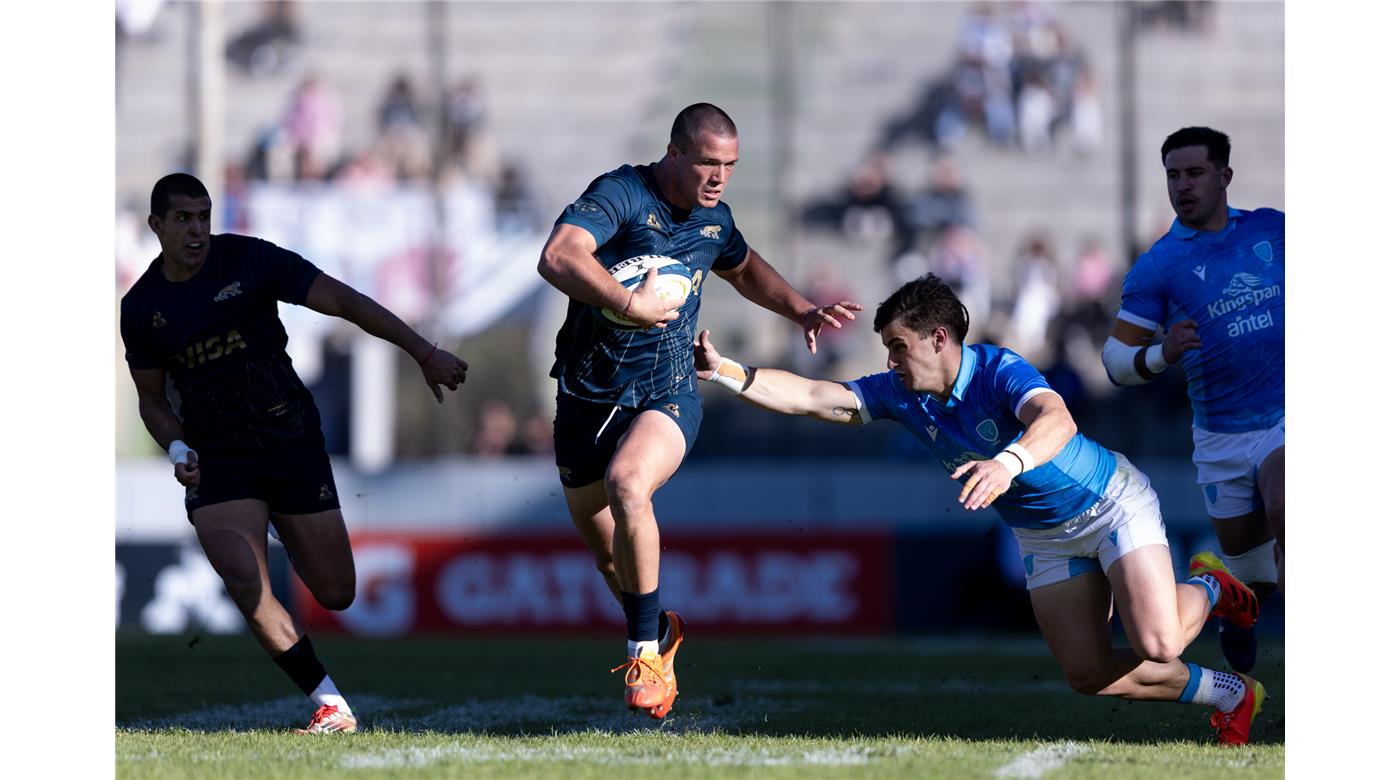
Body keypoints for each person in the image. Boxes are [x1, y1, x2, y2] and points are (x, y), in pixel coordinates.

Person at [693, 274, 1266, 745]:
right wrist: (725, 371)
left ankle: (1214, 587)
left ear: (938, 338)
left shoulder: (997, 368)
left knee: (1159, 644)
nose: (891, 361)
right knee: (1088, 674)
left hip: (1110, 504)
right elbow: (816, 397)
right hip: (1044, 535)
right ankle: (1233, 693)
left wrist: (1006, 464)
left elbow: (1057, 419)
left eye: (899, 346)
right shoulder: (901, 393)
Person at [536, 103, 860, 719]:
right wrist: (628, 304)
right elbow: (558, 257)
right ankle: (658, 633)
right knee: (608, 556)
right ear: (675, 153)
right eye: (709, 162)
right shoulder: (621, 195)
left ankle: (643, 655)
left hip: (668, 391)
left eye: (730, 166)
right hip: (585, 397)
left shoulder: (715, 218)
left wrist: (799, 310)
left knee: (629, 482)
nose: (719, 177)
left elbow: (743, 267)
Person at [119, 173, 469, 733]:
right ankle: (332, 704)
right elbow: (152, 401)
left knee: (337, 593)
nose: (197, 229)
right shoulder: (141, 308)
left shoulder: (249, 260)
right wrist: (178, 446)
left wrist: (422, 350)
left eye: (204, 215)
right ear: (156, 225)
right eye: (183, 218)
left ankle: (282, 519)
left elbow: (342, 299)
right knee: (244, 577)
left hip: (288, 436)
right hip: (217, 457)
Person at [1100, 127, 1282, 674]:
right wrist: (1161, 354)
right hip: (1221, 437)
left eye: (1195, 173)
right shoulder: (1160, 266)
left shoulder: (1275, 229)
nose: (1183, 185)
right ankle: (1234, 602)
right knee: (1256, 579)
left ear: (1224, 176)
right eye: (1173, 175)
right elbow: (1113, 360)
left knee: (1289, 504)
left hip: (1285, 417)